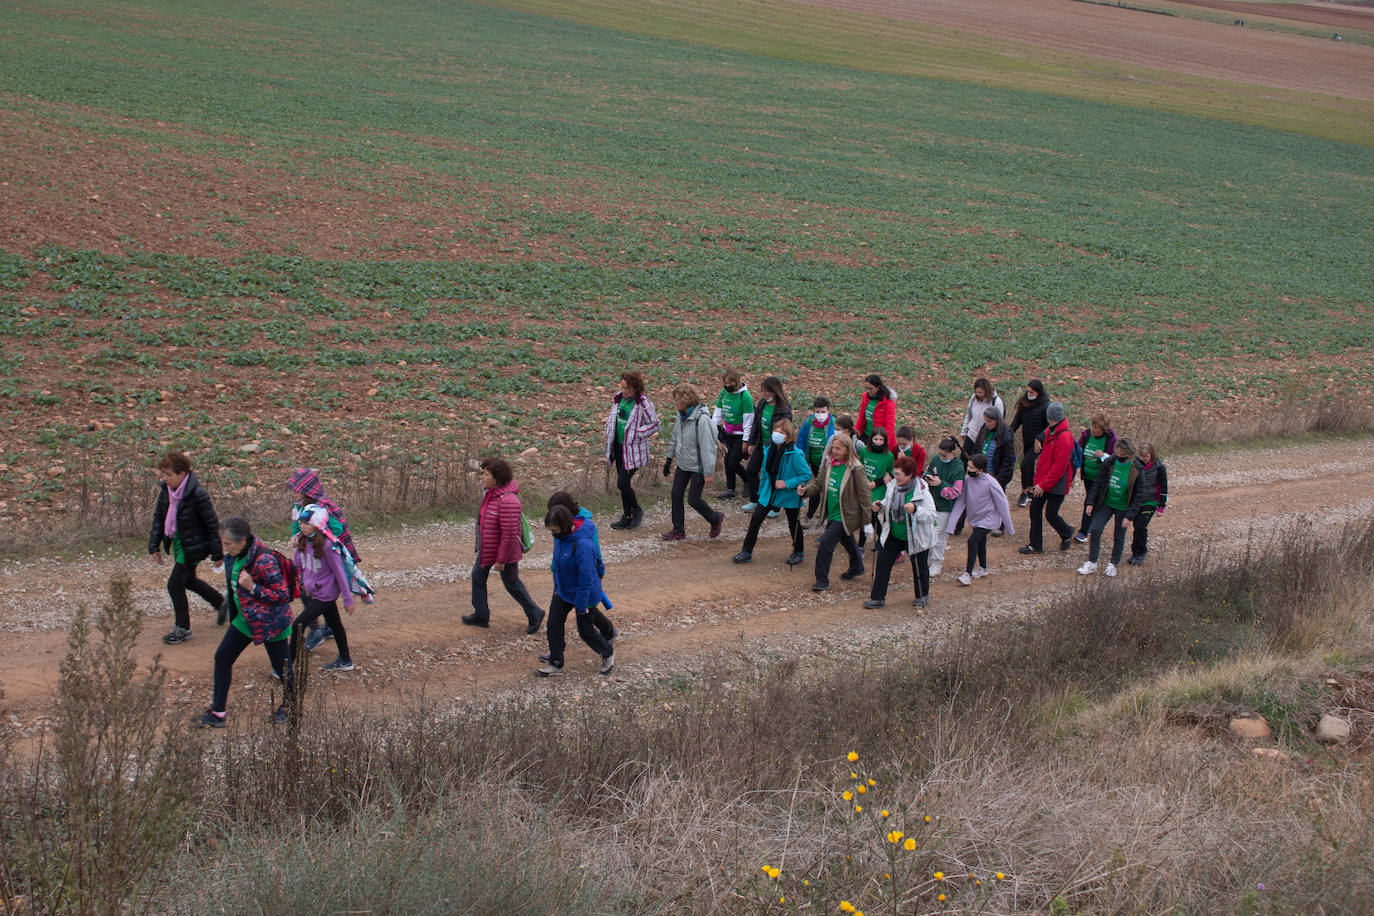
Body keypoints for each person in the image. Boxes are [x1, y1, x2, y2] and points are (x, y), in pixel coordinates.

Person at [199, 517, 294, 727]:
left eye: (228, 544)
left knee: (283, 670)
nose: (224, 549)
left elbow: (282, 595)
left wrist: (253, 588)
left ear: (243, 541)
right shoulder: (236, 555)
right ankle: (218, 713)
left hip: (270, 624)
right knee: (222, 658)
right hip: (245, 620)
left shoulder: (264, 560)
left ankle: (291, 708)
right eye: (222, 543)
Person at [147, 451, 225, 646]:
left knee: (174, 584)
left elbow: (212, 524)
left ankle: (183, 628)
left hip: (193, 547)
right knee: (188, 580)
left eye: (168, 475)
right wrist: (154, 545)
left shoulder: (197, 494)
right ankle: (221, 603)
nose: (164, 479)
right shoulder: (167, 491)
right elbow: (159, 517)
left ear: (182, 475)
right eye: (163, 474)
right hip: (178, 544)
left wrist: (218, 553)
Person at [461, 457, 545, 633]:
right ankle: (481, 615)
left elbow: (509, 535)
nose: (482, 478)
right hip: (488, 548)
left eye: (486, 474)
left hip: (505, 553)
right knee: (477, 576)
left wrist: (501, 560)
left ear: (496, 479)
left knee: (512, 583)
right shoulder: (491, 494)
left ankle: (535, 613)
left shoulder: (508, 501)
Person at [287, 467, 364, 652]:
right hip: (311, 555)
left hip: (327, 556)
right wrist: (297, 537)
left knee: (316, 593)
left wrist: (318, 538)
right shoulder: (300, 507)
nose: (292, 493)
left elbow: (337, 530)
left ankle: (315, 629)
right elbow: (296, 526)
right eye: (292, 489)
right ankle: (329, 630)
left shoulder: (324, 507)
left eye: (296, 490)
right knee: (313, 590)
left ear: (307, 491)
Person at [538, 506, 616, 677]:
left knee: (586, 631)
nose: (553, 534)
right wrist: (558, 588)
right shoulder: (560, 538)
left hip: (584, 594)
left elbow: (586, 578)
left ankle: (607, 653)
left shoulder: (583, 545)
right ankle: (556, 663)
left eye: (555, 530)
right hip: (563, 591)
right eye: (551, 530)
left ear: (565, 525)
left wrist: (581, 605)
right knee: (553, 624)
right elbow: (558, 566)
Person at [799, 432, 870, 592]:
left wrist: (867, 522)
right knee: (846, 539)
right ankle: (857, 566)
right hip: (832, 512)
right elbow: (818, 484)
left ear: (847, 449)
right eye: (833, 448)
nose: (834, 451)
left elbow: (865, 496)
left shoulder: (856, 469)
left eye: (838, 449)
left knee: (825, 543)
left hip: (846, 514)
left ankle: (822, 580)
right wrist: (805, 491)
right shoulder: (828, 463)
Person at [733, 418, 810, 566]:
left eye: (781, 432)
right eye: (775, 431)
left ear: (788, 436)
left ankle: (798, 552)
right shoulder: (769, 448)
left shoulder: (795, 454)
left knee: (793, 523)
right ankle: (746, 552)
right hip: (770, 491)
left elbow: (806, 475)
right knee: (755, 520)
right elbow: (765, 472)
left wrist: (788, 483)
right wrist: (762, 491)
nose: (777, 434)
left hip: (788, 494)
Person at [865, 456, 938, 609]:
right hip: (894, 534)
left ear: (910, 474)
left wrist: (916, 510)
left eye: (899, 474)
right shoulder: (893, 486)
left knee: (919, 566)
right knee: (883, 563)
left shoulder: (922, 492)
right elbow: (888, 500)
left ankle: (922, 595)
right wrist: (881, 505)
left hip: (916, 536)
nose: (895, 477)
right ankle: (877, 598)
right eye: (895, 473)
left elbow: (931, 515)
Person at [290, 505, 355, 672]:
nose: (302, 526)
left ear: (317, 525)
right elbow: (300, 564)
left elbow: (339, 573)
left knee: (298, 624)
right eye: (301, 523)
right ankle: (346, 660)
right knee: (335, 625)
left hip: (325, 594)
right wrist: (296, 549)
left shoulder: (327, 546)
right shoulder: (304, 541)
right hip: (315, 591)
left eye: (306, 523)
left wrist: (348, 599)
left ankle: (287, 666)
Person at [662, 384, 724, 541]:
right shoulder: (680, 415)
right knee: (676, 494)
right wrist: (669, 459)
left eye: (677, 399)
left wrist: (708, 472)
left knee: (693, 500)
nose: (674, 402)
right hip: (683, 464)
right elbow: (675, 436)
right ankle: (678, 530)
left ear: (686, 400)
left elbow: (708, 448)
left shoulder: (702, 420)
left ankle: (715, 518)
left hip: (698, 467)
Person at [1079, 438, 1146, 577]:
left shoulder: (1137, 469)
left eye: (1123, 454)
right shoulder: (1109, 462)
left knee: (1119, 535)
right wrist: (1090, 502)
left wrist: (1130, 516)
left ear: (1129, 453)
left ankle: (1113, 564)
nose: (1119, 456)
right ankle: (1092, 562)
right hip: (1107, 503)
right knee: (1096, 529)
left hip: (1123, 507)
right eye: (1118, 452)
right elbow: (1098, 483)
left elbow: (1138, 495)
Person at [947, 454, 1015, 586]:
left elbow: (1002, 504)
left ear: (981, 470)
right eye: (968, 466)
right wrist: (951, 524)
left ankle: (967, 574)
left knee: (972, 541)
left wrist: (1009, 527)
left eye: (972, 467)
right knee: (980, 542)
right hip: (976, 518)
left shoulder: (991, 482)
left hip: (989, 519)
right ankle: (983, 568)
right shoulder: (967, 481)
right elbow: (961, 501)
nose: (968, 469)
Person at [604, 371, 660, 530]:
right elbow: (613, 419)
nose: (624, 391)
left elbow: (655, 424)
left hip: (633, 450)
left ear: (635, 388)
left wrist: (638, 433)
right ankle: (627, 516)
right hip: (618, 447)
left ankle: (636, 510)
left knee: (622, 482)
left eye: (627, 388)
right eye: (622, 387)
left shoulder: (643, 404)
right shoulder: (617, 399)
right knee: (624, 484)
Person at [1020, 402, 1076, 555]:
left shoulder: (1064, 437)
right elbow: (1044, 435)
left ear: (1050, 417)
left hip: (1056, 483)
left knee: (1051, 514)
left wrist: (1043, 485)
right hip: (1045, 481)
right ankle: (1035, 545)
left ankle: (1066, 532)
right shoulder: (1052, 430)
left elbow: (1059, 467)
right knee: (1035, 509)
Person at [740, 376, 792, 513]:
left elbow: (785, 430)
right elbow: (756, 424)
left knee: (773, 475)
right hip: (761, 444)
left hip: (776, 447)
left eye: (767, 391)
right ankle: (755, 499)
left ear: (775, 391)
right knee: (751, 470)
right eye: (763, 391)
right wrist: (751, 442)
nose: (764, 394)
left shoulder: (784, 409)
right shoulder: (762, 404)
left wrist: (770, 444)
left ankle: (776, 507)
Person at [922, 437, 965, 577]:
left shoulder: (958, 468)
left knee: (939, 536)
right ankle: (927, 560)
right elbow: (927, 471)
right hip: (931, 503)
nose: (941, 458)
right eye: (940, 454)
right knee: (929, 533)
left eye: (944, 455)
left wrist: (940, 484)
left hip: (945, 507)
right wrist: (928, 477)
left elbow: (956, 491)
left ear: (953, 453)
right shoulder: (936, 459)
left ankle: (936, 563)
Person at [1073, 414, 1118, 543]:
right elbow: (1078, 450)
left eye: (1097, 427)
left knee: (1089, 501)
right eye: (1093, 425)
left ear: (1103, 429)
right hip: (1087, 475)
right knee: (1094, 501)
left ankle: (1084, 531)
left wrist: (1104, 455)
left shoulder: (1111, 440)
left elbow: (1116, 458)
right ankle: (1094, 524)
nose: (1093, 429)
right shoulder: (1086, 435)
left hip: (1101, 478)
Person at [711, 369, 754, 499]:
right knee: (727, 461)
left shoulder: (745, 397)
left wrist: (746, 441)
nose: (727, 386)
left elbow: (748, 421)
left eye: (730, 383)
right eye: (725, 383)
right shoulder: (723, 394)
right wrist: (713, 431)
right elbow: (718, 414)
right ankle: (730, 489)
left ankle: (747, 481)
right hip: (727, 432)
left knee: (733, 462)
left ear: (737, 382)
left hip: (741, 434)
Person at [1009, 379, 1049, 507]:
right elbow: (1017, 420)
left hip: (1038, 442)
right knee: (1028, 465)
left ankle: (1024, 492)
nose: (1028, 394)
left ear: (1038, 392)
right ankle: (1030, 490)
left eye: (1031, 392)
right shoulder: (1025, 403)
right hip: (1027, 439)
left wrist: (1040, 438)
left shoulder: (1045, 406)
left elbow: (1048, 427)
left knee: (1025, 464)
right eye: (1027, 391)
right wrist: (1009, 432)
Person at [855, 428, 895, 551]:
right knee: (868, 516)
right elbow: (858, 467)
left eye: (881, 439)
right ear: (871, 439)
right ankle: (881, 539)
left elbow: (891, 474)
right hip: (863, 486)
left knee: (869, 514)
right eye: (875, 439)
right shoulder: (863, 451)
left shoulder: (888, 456)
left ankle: (861, 546)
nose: (878, 442)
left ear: (885, 441)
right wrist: (864, 481)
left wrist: (876, 483)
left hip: (878, 488)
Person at [1129, 443, 1168, 565]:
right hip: (1137, 501)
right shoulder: (1135, 465)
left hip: (1151, 501)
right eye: (1141, 456)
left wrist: (1161, 506)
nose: (1143, 458)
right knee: (1136, 526)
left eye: (1146, 456)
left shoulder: (1159, 467)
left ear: (1152, 455)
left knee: (1141, 525)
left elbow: (1164, 488)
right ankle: (1135, 553)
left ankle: (1141, 552)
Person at [799, 397, 835, 527]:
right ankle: (810, 516)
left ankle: (829, 518)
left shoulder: (833, 425)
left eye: (822, 411)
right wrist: (801, 457)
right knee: (817, 487)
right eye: (817, 412)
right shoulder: (809, 423)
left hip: (829, 464)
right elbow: (802, 440)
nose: (820, 415)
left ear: (828, 411)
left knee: (828, 490)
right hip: (813, 462)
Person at [973, 407, 1016, 493]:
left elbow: (1007, 462)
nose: (987, 424)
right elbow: (977, 448)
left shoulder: (1005, 435)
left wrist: (999, 481)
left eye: (989, 421)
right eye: (985, 421)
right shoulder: (984, 429)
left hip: (996, 477)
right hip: (981, 474)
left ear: (997, 420)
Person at [959, 378, 1006, 456]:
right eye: (976, 392)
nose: (978, 395)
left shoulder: (996, 402)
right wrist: (964, 431)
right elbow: (969, 415)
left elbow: (999, 422)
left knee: (978, 462)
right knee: (964, 458)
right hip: (971, 434)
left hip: (985, 438)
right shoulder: (974, 398)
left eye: (981, 392)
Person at [855, 374, 897, 446]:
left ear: (878, 388)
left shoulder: (887, 403)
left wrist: (886, 443)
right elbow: (862, 417)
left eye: (871, 388)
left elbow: (889, 426)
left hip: (878, 439)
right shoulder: (866, 398)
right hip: (865, 434)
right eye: (866, 388)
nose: (868, 391)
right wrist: (855, 431)